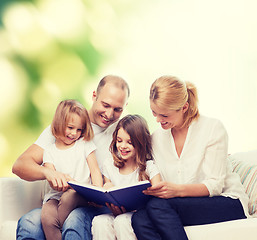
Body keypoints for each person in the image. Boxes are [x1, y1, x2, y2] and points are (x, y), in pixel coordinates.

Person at [131, 76, 249, 240]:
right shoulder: (156, 138)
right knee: (139, 219)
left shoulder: (212, 128)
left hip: (227, 201)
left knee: (158, 206)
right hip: (180, 204)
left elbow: (214, 185)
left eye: (164, 115)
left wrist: (175, 190)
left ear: (184, 107)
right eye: (154, 112)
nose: (158, 120)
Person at [12, 75, 130, 240]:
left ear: (125, 107)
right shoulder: (63, 127)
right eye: (105, 105)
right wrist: (48, 173)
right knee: (30, 222)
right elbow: (20, 165)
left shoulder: (123, 134)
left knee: (74, 219)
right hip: (58, 201)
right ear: (94, 95)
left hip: (93, 206)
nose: (109, 114)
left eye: (118, 109)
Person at [91, 114, 161, 240]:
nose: (122, 146)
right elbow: (107, 193)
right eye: (119, 140)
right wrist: (107, 188)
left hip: (139, 216)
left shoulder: (149, 167)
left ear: (140, 143)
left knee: (122, 221)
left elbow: (159, 197)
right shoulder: (109, 165)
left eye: (130, 142)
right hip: (116, 213)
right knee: (99, 221)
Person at [41, 99, 103, 240]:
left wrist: (97, 192)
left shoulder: (84, 144)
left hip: (80, 195)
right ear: (58, 123)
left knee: (70, 196)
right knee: (46, 217)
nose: (74, 133)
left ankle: (63, 227)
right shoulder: (49, 151)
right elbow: (51, 176)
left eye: (79, 129)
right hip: (56, 196)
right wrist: (61, 179)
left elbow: (95, 170)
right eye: (70, 127)